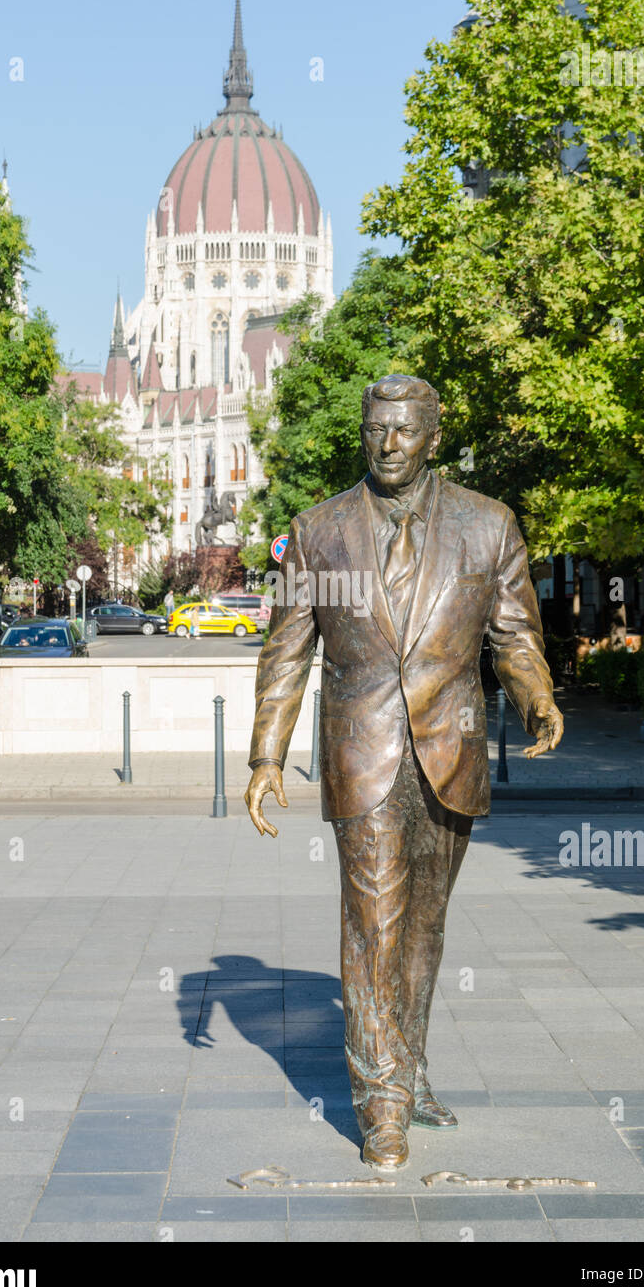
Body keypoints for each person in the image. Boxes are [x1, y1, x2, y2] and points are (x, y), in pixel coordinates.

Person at [244, 374, 563, 1172]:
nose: (387, 444)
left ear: (432, 437)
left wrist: (537, 698)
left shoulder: (487, 526)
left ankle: (410, 1068)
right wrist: (264, 755)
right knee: (374, 919)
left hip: (451, 752)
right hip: (363, 754)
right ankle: (380, 1104)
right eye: (375, 429)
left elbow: (513, 633)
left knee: (423, 926)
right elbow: (287, 651)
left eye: (403, 431)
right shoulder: (319, 531)